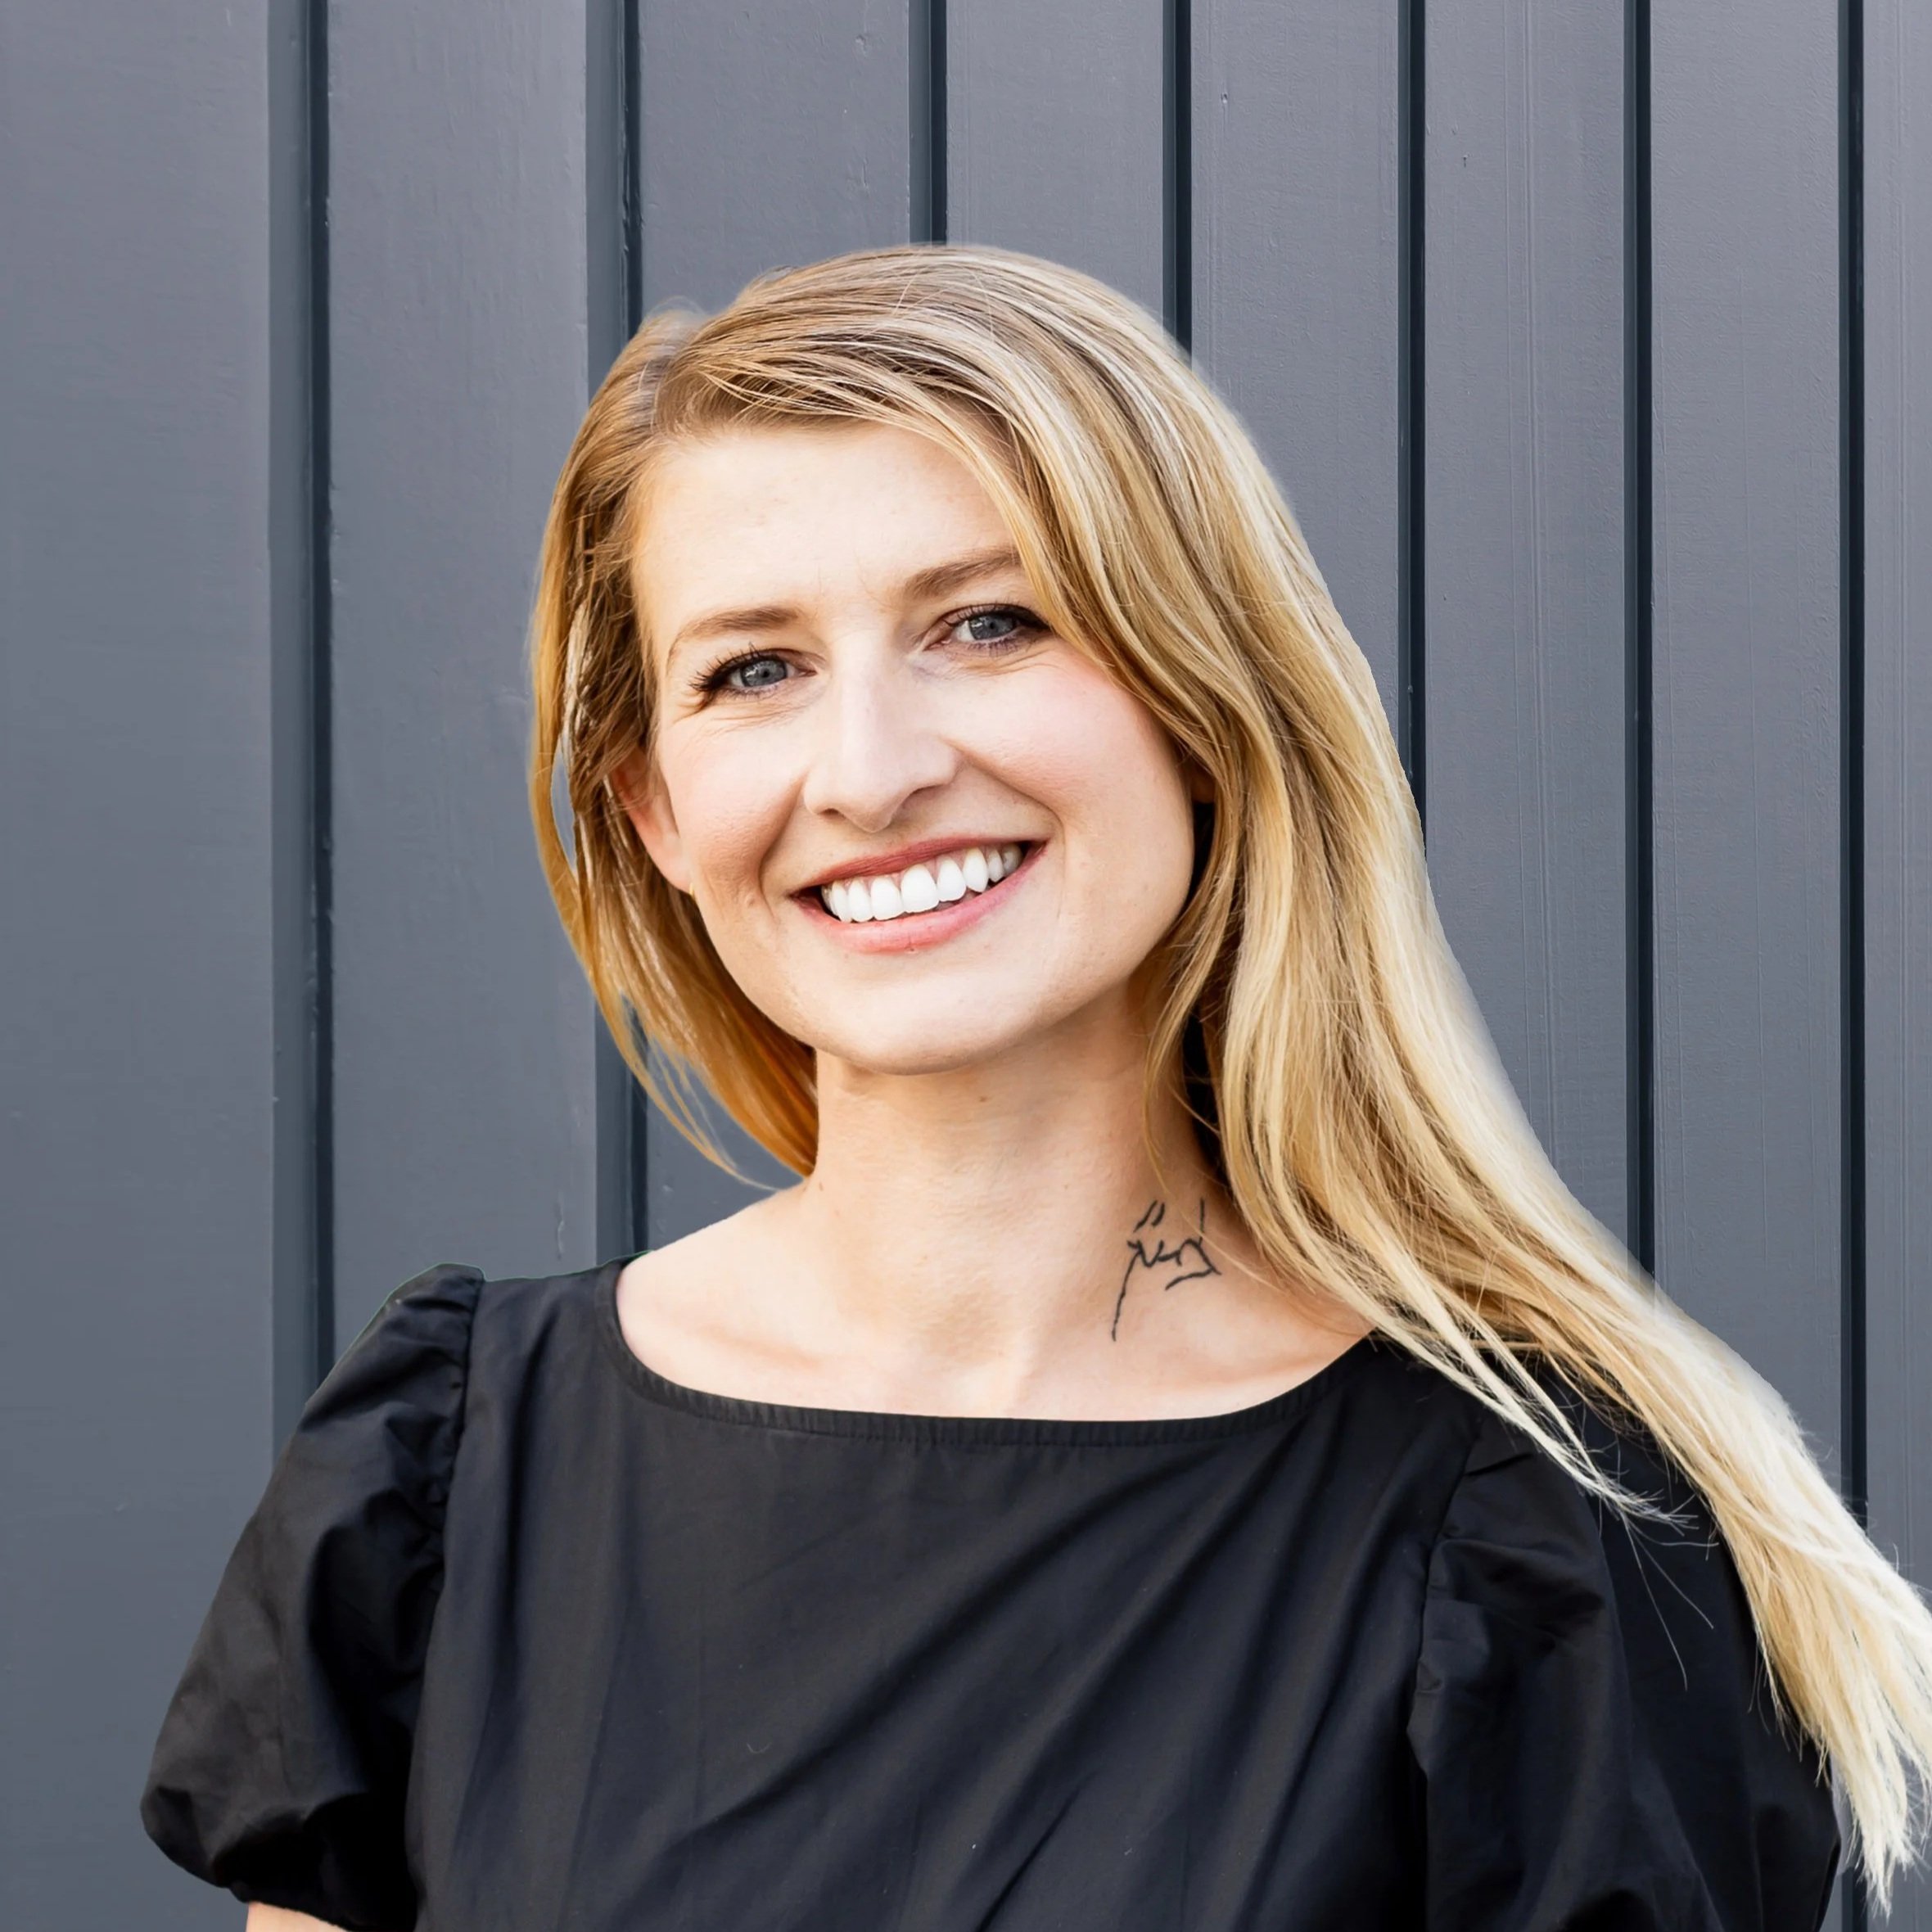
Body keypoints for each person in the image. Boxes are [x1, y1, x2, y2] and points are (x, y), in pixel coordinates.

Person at [141, 244, 1932, 1931]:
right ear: (655, 808)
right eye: (754, 669)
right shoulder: (446, 1470)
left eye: (989, 625)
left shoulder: (1547, 1539)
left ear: (1206, 702)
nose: (869, 768)